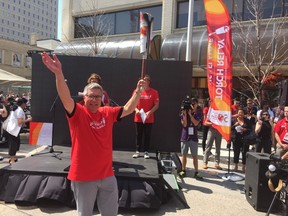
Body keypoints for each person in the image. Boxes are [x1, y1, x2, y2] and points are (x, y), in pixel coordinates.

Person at [41, 52, 144, 216]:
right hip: (83, 176)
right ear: (85, 96)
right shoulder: (78, 113)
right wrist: (59, 74)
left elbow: (128, 109)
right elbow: (66, 98)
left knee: (111, 213)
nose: (95, 100)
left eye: (98, 97)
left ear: (102, 98)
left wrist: (138, 92)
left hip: (107, 175)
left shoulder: (107, 113)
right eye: (91, 96)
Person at [132, 74, 159, 159]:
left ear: (149, 82)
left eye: (147, 80)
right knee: (138, 135)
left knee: (147, 135)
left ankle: (146, 152)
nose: (145, 82)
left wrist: (149, 113)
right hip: (138, 117)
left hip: (148, 118)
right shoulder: (136, 91)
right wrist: (137, 111)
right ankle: (137, 151)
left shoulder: (154, 92)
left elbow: (157, 105)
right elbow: (132, 104)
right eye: (144, 80)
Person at [178, 99, 203, 180]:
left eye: (194, 104)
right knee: (184, 155)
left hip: (194, 138)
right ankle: (183, 170)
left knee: (194, 156)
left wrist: (190, 115)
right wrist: (185, 115)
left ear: (196, 105)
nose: (193, 105)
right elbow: (184, 125)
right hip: (185, 137)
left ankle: (196, 172)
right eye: (191, 104)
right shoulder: (182, 113)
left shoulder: (198, 113)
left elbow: (196, 123)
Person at [6, 98, 32, 164]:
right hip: (13, 130)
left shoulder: (16, 108)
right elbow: (19, 122)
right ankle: (12, 159)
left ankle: (13, 158)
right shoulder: (19, 110)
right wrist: (28, 120)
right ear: (23, 103)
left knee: (16, 144)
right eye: (25, 103)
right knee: (13, 145)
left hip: (12, 129)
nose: (26, 105)